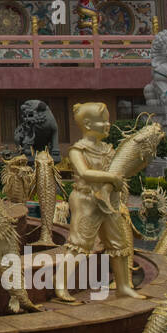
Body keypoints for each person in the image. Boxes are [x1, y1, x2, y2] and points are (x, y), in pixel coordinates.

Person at [63, 102, 146, 301]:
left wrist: (139, 159)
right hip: (86, 200)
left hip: (109, 202)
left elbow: (121, 169)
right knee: (80, 244)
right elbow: (84, 173)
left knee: (119, 244)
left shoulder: (108, 149)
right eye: (104, 121)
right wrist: (111, 178)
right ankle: (60, 285)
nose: (108, 124)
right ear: (88, 124)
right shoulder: (77, 150)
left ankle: (123, 286)